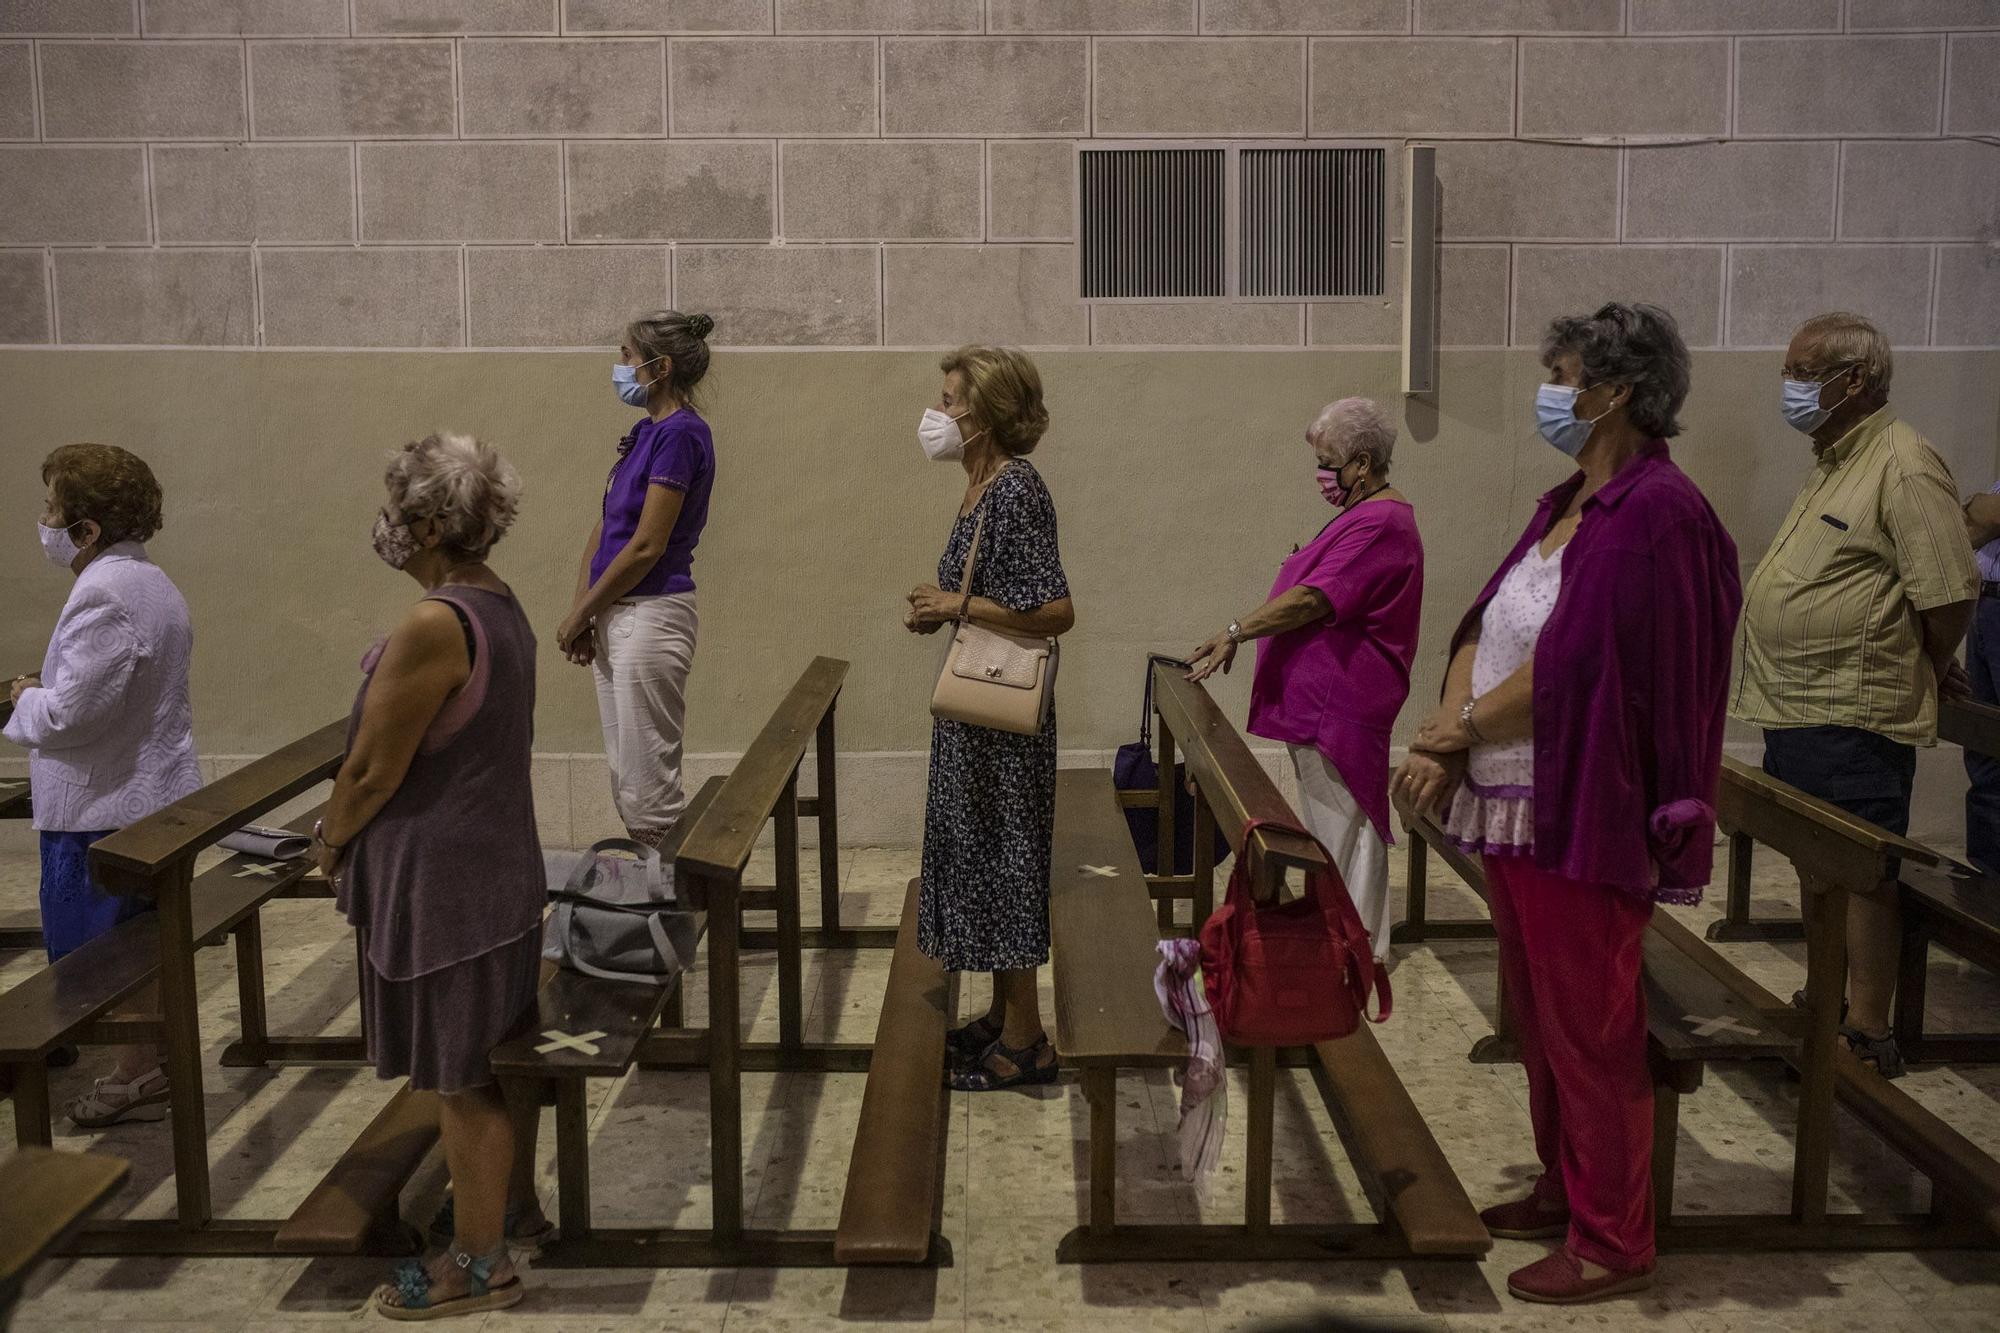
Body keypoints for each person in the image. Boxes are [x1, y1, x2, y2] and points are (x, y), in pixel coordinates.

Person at [1393, 303, 1739, 1304]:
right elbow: (1481, 620)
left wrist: (1454, 735)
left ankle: (1614, 1236)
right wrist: (1449, 722)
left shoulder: (1657, 513)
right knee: (1539, 1017)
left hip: (1584, 806)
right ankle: (1561, 1183)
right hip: (1513, 804)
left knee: (1591, 1027)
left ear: (1615, 390)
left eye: (1563, 372)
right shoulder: (1566, 501)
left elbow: (1583, 665)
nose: (1551, 389)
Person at [316, 433, 549, 1319]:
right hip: (492, 871)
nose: (387, 524)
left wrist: (329, 841)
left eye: (395, 510)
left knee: (462, 1078)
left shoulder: (434, 622)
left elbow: (373, 769)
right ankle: (504, 1212)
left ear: (424, 524)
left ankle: (477, 1265)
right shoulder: (497, 604)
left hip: (449, 886)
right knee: (475, 1065)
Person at [1733, 311, 1978, 1078]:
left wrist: (1927, 662)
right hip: (1800, 702)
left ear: (1857, 380)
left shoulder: (1903, 463)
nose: (1791, 386)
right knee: (1817, 865)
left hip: (1853, 708)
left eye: (1805, 372)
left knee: (1862, 870)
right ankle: (1827, 999)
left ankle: (1868, 1027)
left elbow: (1948, 591)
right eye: (1790, 371)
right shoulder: (1838, 458)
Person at [1185, 397, 1423, 960]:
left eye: (1329, 462)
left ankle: (1357, 956)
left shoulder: (1383, 522)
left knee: (1346, 831)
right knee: (1332, 828)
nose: (1322, 476)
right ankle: (1343, 943)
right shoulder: (1363, 516)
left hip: (1341, 706)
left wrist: (1237, 630)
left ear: (1362, 463)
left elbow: (1315, 598)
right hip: (1321, 704)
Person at [7, 444, 201, 1126]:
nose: (45, 521)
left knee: (100, 960)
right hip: (140, 794)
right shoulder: (150, 582)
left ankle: (137, 1071)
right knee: (134, 947)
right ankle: (150, 1060)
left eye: (53, 509)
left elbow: (71, 715)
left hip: (104, 807)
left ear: (86, 530)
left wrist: (19, 699)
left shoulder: (105, 595)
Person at [905, 345, 1076, 1092]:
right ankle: (1006, 1018)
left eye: (950, 401)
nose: (939, 414)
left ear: (987, 413)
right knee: (981, 861)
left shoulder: (1016, 490)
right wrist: (941, 608)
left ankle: (1028, 1040)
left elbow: (1057, 611)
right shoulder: (979, 489)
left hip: (1003, 732)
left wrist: (956, 606)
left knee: (1007, 865)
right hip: (973, 723)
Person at [556, 310, 718, 851]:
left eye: (626, 356)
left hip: (649, 616)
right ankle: (652, 898)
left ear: (660, 366)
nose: (619, 367)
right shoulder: (645, 433)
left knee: (650, 782)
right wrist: (584, 608)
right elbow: (606, 526)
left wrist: (584, 613)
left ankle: (675, 903)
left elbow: (647, 545)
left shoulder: (682, 434)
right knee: (627, 780)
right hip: (614, 614)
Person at [1961, 480, 2000, 876]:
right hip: (1986, 602)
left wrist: (1980, 508)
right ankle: (1988, 877)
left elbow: (1987, 514)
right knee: (1983, 744)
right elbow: (1967, 522)